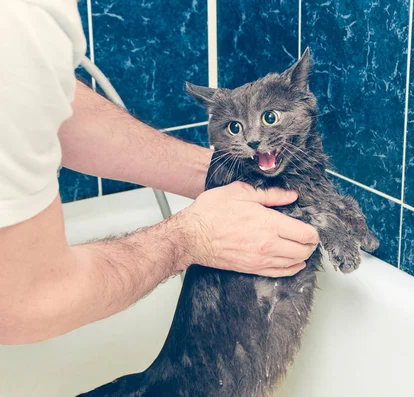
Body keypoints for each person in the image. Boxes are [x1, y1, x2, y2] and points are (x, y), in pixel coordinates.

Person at [0, 0, 319, 345]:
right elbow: (24, 301)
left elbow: (51, 102)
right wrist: (190, 238)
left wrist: (216, 174)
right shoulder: (19, 22)